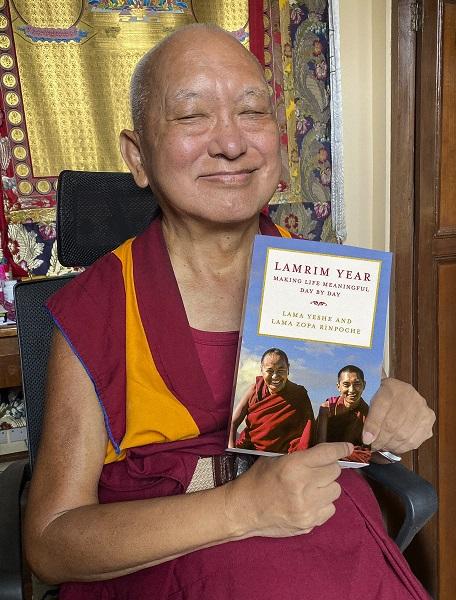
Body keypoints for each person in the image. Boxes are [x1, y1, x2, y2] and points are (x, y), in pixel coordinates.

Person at [24, 24, 436, 599]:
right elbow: (49, 544)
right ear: (137, 157)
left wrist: (388, 421)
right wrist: (243, 508)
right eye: (192, 116)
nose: (232, 144)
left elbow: (341, 429)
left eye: (252, 112)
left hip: (333, 548)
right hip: (175, 567)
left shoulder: (320, 278)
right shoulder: (98, 307)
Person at [229, 348, 315, 453]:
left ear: (288, 368)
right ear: (262, 369)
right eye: (270, 371)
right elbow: (233, 423)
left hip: (284, 455)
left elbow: (308, 431)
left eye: (281, 370)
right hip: (250, 450)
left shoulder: (299, 395)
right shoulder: (255, 390)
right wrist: (231, 451)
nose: (275, 376)